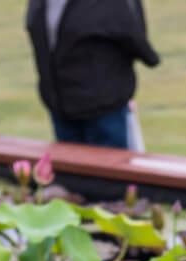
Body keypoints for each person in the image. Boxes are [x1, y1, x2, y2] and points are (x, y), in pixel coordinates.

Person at [26, 0, 159, 149]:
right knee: (72, 168)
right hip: (61, 104)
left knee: (108, 167)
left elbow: (131, 33)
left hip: (103, 106)